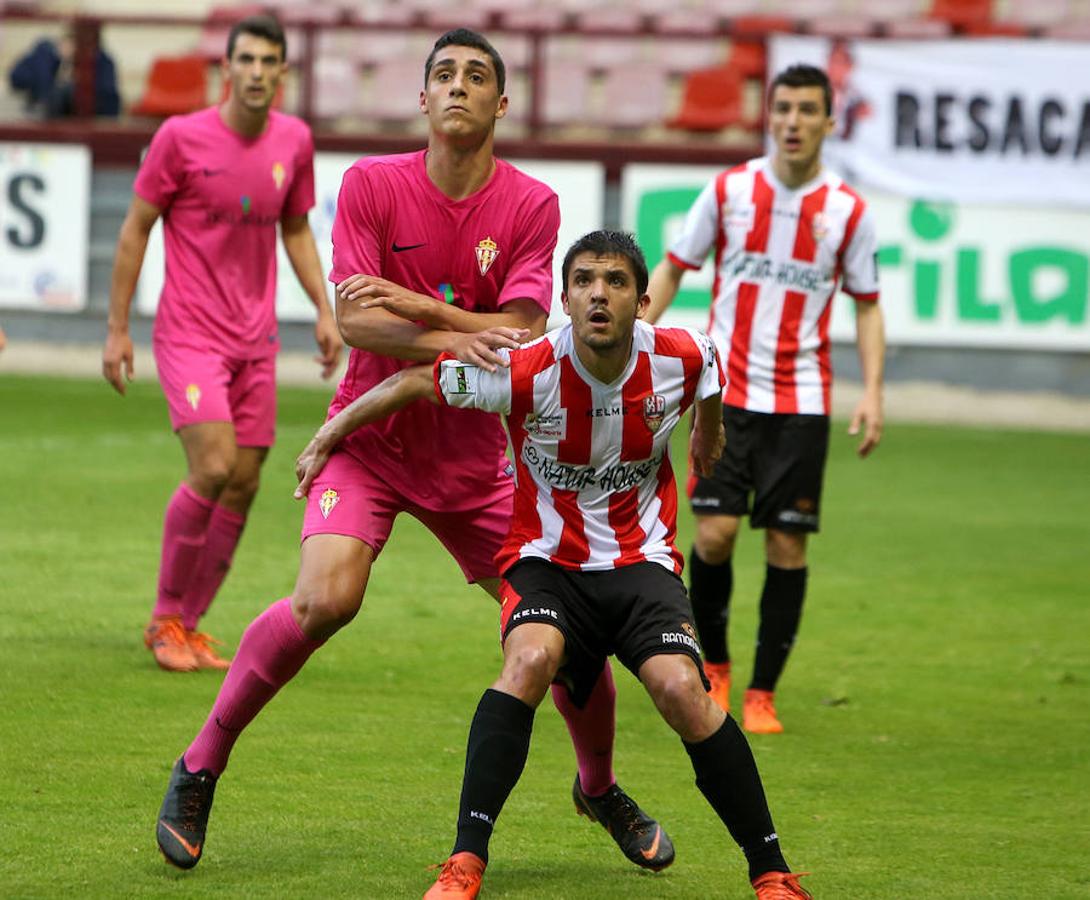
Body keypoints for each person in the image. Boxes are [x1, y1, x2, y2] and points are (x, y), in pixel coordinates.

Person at [153, 30, 669, 875]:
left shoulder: (532, 205)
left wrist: (413, 305)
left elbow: (528, 332)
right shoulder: (370, 185)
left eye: (477, 77)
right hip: (373, 438)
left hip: (480, 464)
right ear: (421, 99)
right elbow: (358, 323)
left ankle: (598, 785)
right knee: (326, 601)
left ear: (502, 104)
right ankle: (200, 763)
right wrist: (458, 325)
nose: (458, 87)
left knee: (567, 634)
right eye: (444, 76)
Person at [291, 230, 812, 900]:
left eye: (616, 281)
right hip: (545, 563)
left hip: (640, 564)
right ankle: (464, 863)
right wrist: (328, 435)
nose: (600, 292)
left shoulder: (678, 355)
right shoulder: (525, 367)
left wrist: (709, 430)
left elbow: (713, 366)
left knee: (684, 690)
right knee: (530, 661)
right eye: (586, 280)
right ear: (565, 300)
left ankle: (771, 871)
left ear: (642, 301)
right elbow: (418, 382)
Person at [645, 63, 885, 734]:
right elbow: (672, 267)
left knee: (787, 545)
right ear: (768, 116)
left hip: (802, 403)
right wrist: (639, 340)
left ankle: (764, 693)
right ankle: (714, 664)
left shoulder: (847, 212)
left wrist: (872, 390)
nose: (793, 121)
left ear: (829, 122)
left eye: (808, 110)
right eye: (783, 108)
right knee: (715, 536)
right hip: (727, 394)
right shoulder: (729, 191)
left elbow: (868, 306)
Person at [102, 15, 342, 673]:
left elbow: (295, 229)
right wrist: (118, 327)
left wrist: (324, 309)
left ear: (283, 73)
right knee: (212, 466)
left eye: (271, 61)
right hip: (189, 333)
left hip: (255, 340)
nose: (259, 72)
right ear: (226, 69)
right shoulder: (180, 138)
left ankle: (190, 624)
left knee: (242, 481)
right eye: (248, 60)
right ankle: (163, 620)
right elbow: (135, 229)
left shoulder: (293, 140)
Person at [9, 29, 120, 118]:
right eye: (68, 43)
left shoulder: (102, 62)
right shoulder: (45, 54)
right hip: (43, 110)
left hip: (81, 115)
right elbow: (16, 78)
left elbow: (109, 98)